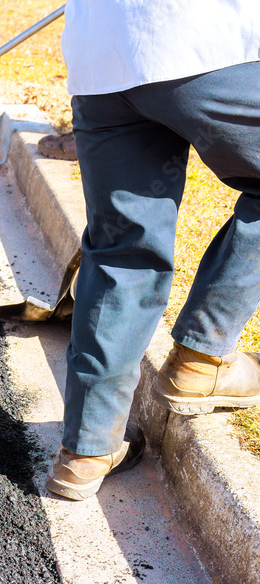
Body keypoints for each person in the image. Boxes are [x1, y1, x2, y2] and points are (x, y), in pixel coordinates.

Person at [45, 0, 260, 500]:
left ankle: (86, 450)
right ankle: (201, 359)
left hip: (102, 59)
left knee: (121, 249)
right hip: (207, 45)